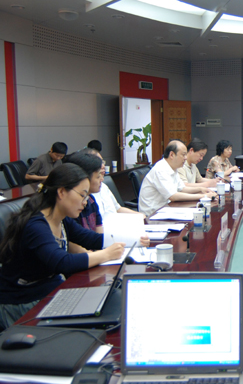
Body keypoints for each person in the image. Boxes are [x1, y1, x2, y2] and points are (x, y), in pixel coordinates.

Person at [0, 164, 126, 329]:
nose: (85, 202)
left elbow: (91, 239)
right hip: (23, 303)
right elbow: (62, 262)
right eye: (82, 195)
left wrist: (134, 239)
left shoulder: (61, 218)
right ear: (61, 192)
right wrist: (107, 254)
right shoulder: (36, 225)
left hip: (49, 292)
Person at [139, 140, 216, 216]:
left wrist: (201, 189)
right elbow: (173, 196)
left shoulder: (173, 168)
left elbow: (182, 188)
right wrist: (203, 196)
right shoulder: (160, 170)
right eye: (183, 155)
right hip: (153, 214)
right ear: (172, 155)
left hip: (166, 208)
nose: (185, 158)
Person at [64, 151, 105, 233]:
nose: (102, 180)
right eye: (98, 176)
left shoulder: (91, 200)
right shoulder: (71, 207)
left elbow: (99, 233)